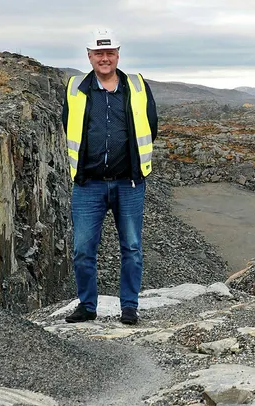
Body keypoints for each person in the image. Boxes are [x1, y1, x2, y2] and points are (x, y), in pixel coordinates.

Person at [60, 28, 158, 325]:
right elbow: (69, 125)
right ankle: (87, 306)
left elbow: (150, 125)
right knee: (82, 250)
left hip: (128, 183)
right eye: (99, 54)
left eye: (110, 53)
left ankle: (129, 307)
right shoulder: (76, 88)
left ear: (118, 55)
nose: (105, 59)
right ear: (89, 56)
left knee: (131, 248)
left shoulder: (137, 86)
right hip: (88, 185)